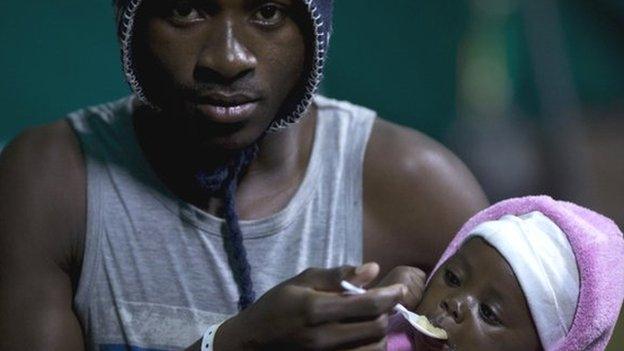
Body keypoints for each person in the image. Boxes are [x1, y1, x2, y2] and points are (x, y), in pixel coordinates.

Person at [0, 0, 488, 350]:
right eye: (186, 10)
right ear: (130, 25)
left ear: (315, 31)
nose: (228, 58)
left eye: (268, 12)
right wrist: (236, 342)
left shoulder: (418, 191)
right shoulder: (51, 182)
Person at [384, 196, 624, 351]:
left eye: (488, 313)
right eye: (453, 278)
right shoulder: (387, 339)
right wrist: (373, 315)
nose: (455, 303)